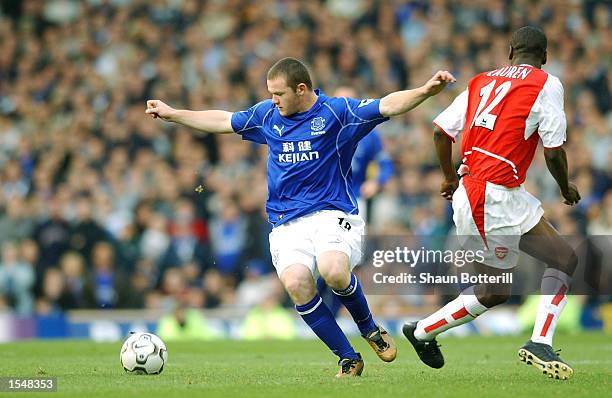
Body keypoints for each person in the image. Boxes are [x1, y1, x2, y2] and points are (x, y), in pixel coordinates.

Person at [146, 57, 455, 377]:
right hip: (286, 223)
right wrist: (173, 114)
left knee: (333, 270)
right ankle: (348, 357)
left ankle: (369, 328)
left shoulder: (337, 112)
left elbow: (387, 104)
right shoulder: (267, 114)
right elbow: (224, 120)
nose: (272, 100)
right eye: (270, 93)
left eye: (278, 93)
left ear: (301, 89)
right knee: (296, 283)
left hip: (332, 213)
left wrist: (425, 90)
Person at [401, 26, 581, 381]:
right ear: (544, 56)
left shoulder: (481, 81)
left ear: (510, 50)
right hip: (489, 197)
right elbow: (554, 150)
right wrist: (565, 186)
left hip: (492, 192)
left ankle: (422, 332)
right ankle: (537, 341)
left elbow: (441, 132)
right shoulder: (546, 83)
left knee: (520, 279)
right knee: (513, 282)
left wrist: (449, 177)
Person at [317, 86, 395, 317]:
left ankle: (333, 312)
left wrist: (377, 182)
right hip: (323, 200)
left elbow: (386, 165)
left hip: (353, 200)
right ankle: (323, 311)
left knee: (348, 261)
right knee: (323, 259)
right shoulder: (320, 128)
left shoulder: (369, 134)